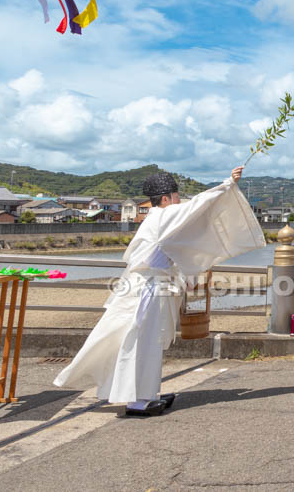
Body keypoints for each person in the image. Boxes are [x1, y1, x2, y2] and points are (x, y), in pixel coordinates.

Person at [54, 167, 264, 416]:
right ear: (165, 198)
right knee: (142, 343)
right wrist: (227, 184)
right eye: (176, 196)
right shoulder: (162, 218)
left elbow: (176, 247)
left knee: (144, 342)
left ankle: (145, 394)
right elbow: (197, 207)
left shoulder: (158, 220)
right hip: (147, 291)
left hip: (149, 287)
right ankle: (138, 400)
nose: (179, 201)